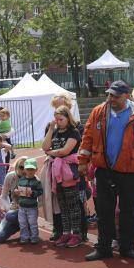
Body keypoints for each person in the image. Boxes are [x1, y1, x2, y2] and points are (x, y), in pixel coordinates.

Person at [78, 80, 134, 261]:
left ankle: (127, 247)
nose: (110, 98)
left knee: (128, 210)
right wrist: (83, 161)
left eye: (115, 96)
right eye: (109, 94)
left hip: (132, 172)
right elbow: (87, 137)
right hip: (105, 169)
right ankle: (104, 247)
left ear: (126, 96)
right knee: (104, 211)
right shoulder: (98, 112)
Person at [43, 106, 84, 248]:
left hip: (68, 172)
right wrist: (50, 129)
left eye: (61, 119)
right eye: (56, 119)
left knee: (73, 204)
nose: (58, 122)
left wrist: (51, 152)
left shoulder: (74, 132)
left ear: (68, 118)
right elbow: (45, 147)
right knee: (63, 205)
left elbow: (65, 151)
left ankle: (76, 234)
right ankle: (66, 232)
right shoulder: (54, 131)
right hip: (56, 172)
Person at [0, 157, 27, 244]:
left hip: (27, 212)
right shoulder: (10, 176)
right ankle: (17, 226)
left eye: (26, 167)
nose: (24, 170)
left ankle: (27, 227)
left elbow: (40, 199)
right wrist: (8, 209)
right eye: (21, 167)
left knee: (30, 238)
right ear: (16, 167)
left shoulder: (33, 179)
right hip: (14, 210)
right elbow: (3, 196)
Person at [16, 158, 43, 244]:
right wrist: (16, 191)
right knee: (22, 223)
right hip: (22, 207)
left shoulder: (37, 182)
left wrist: (33, 193)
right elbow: (18, 190)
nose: (30, 171)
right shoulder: (21, 180)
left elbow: (40, 191)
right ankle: (24, 237)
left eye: (32, 169)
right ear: (24, 169)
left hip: (32, 207)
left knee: (33, 223)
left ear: (36, 170)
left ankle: (34, 237)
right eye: (28, 169)